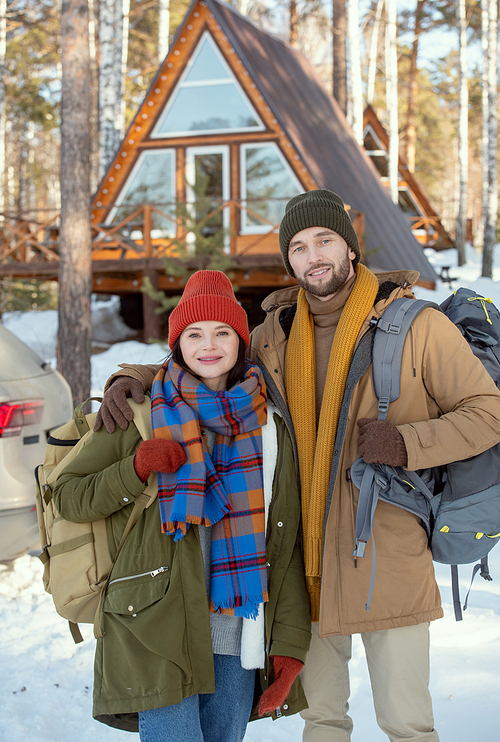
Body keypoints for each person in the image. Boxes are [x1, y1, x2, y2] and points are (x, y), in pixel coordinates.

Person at [95, 190, 500, 742]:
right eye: (300, 247)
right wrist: (136, 377)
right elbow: (208, 359)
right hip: (304, 560)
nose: (314, 256)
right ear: (290, 261)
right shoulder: (273, 335)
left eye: (326, 241)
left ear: (350, 248)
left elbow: (488, 413)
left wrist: (408, 442)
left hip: (389, 556)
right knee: (323, 720)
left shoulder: (417, 327)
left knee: (407, 723)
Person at [53, 270, 311, 742]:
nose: (208, 345)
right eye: (194, 333)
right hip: (156, 622)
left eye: (221, 333)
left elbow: (285, 540)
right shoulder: (139, 412)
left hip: (239, 628)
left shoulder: (270, 426)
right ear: (177, 343)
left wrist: (290, 646)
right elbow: (68, 495)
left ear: (240, 341)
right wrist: (134, 469)